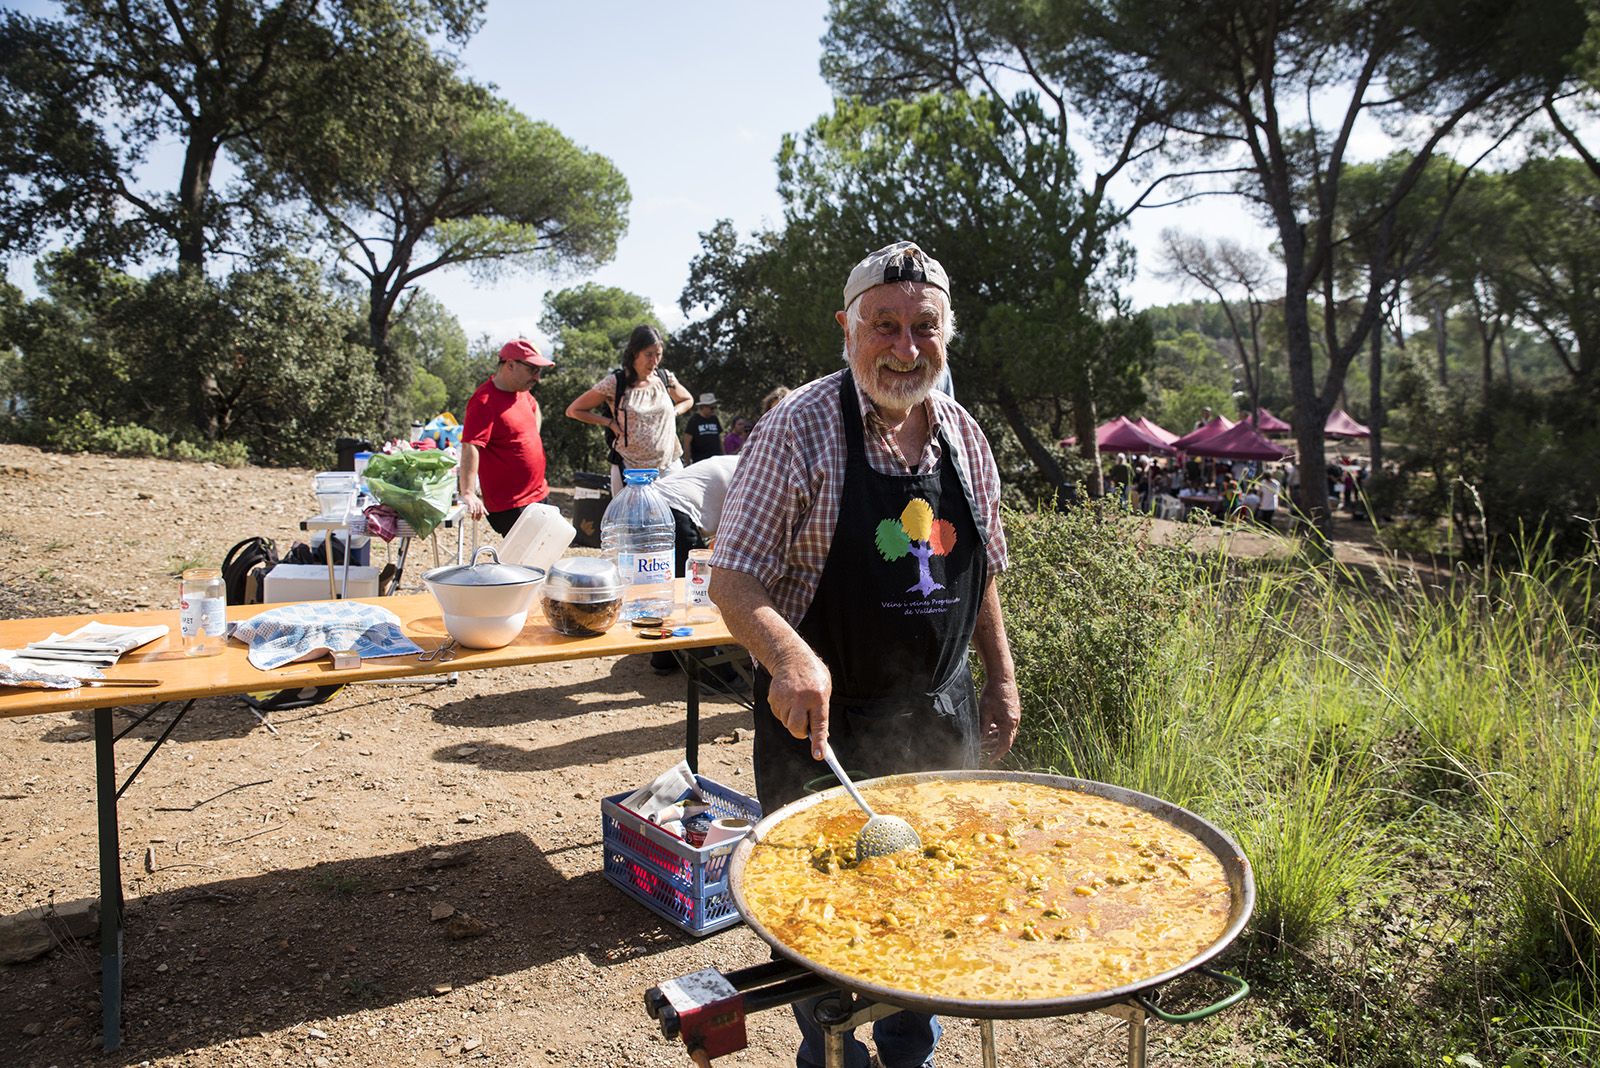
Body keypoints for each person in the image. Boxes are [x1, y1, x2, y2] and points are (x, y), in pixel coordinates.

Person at [710, 240, 1020, 1068]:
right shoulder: (799, 427)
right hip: (822, 724)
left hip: (939, 716)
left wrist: (1001, 680)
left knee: (931, 903)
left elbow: (982, 572)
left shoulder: (964, 436)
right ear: (847, 327)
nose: (905, 347)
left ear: (947, 333)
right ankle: (830, 1054)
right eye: (885, 325)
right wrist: (788, 655)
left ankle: (910, 1049)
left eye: (924, 327)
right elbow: (733, 578)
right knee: (822, 924)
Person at [565, 325, 694, 495]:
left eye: (658, 355)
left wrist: (672, 413)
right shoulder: (615, 383)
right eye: (649, 355)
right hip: (631, 469)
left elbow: (687, 399)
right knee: (630, 520)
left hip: (669, 466)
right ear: (635, 353)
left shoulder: (665, 378)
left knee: (676, 520)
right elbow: (574, 410)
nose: (654, 361)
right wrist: (609, 422)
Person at [458, 339, 554, 536]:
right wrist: (468, 492)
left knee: (542, 554)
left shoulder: (522, 393)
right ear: (510, 365)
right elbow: (471, 446)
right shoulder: (484, 401)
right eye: (532, 370)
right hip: (511, 504)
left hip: (537, 493)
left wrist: (529, 439)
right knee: (524, 562)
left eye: (539, 371)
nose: (537, 378)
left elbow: (534, 408)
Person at [681, 393, 725, 464]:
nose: (713, 410)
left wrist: (723, 455)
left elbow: (720, 439)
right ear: (703, 407)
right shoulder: (694, 420)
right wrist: (687, 461)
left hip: (717, 459)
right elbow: (687, 441)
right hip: (700, 460)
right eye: (712, 408)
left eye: (715, 408)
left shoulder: (714, 419)